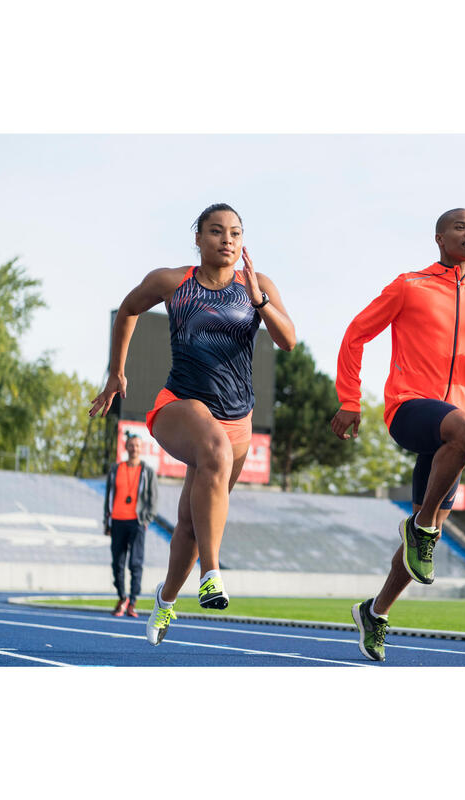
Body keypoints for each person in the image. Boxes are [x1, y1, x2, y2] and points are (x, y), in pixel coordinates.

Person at [90, 203, 295, 646]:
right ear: (198, 239)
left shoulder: (257, 287)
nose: (227, 240)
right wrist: (116, 372)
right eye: (217, 232)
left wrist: (260, 298)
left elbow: (288, 340)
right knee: (214, 449)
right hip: (178, 407)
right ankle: (212, 575)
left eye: (236, 233)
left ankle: (164, 602)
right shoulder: (173, 282)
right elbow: (128, 308)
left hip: (238, 419)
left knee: (188, 524)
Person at [331, 208, 465, 661]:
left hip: (450, 436)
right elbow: (356, 334)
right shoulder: (410, 285)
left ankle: (374, 613)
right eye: (461, 226)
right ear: (439, 238)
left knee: (426, 533)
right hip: (410, 408)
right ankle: (420, 528)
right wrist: (349, 399)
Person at [103, 433, 158, 618]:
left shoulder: (147, 472)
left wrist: (146, 519)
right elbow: (108, 496)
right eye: (131, 445)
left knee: (136, 563)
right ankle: (122, 597)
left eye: (137, 445)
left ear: (141, 448)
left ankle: (133, 601)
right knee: (117, 564)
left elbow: (153, 499)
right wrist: (107, 520)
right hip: (117, 521)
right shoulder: (116, 469)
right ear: (126, 447)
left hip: (137, 522)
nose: (134, 448)